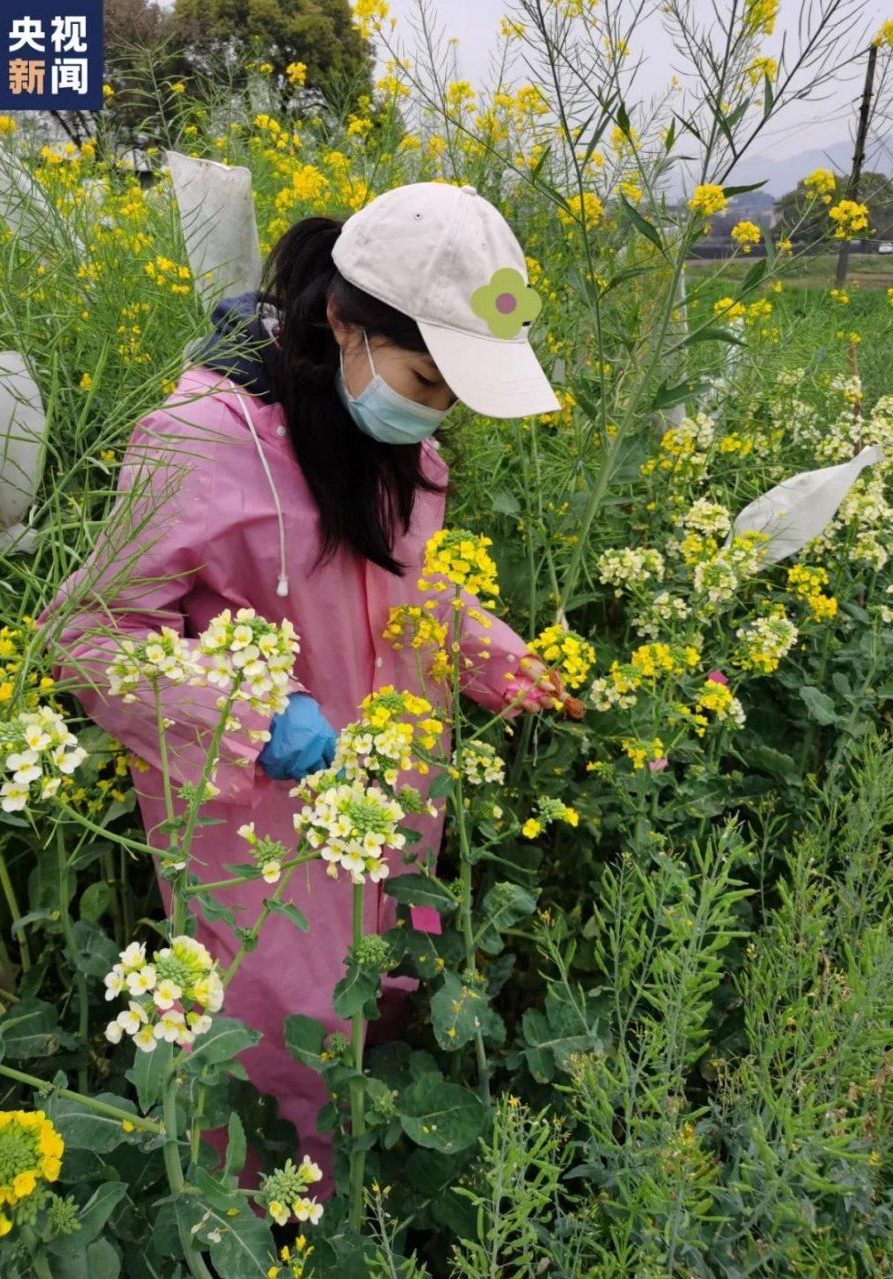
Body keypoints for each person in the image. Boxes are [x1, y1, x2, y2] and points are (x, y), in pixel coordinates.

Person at [34, 180, 567, 1197]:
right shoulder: (202, 444)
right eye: (426, 376)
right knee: (286, 1041)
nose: (435, 408)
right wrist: (241, 711)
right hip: (259, 831)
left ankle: (362, 1210)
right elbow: (90, 629)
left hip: (393, 807)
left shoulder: (403, 452)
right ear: (343, 322)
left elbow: (406, 593)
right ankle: (265, 1231)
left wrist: (493, 650)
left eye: (454, 390)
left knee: (386, 995)